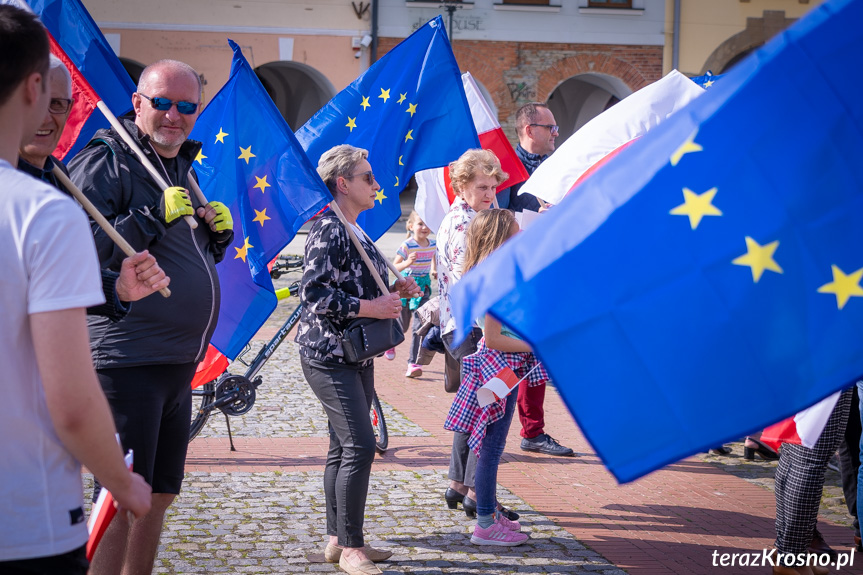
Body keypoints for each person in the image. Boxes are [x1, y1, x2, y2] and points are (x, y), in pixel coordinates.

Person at [67, 59, 234, 575]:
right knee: (119, 499)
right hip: (125, 360)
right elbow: (74, 245)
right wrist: (149, 216)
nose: (173, 115)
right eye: (161, 102)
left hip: (177, 365)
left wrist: (213, 237)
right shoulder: (108, 161)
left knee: (158, 496)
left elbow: (173, 252)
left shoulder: (179, 164)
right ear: (137, 103)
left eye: (186, 107)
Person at [0, 5, 151, 572]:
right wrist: (122, 482)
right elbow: (69, 400)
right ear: (34, 85)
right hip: (23, 518)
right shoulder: (39, 212)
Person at [296, 144, 420, 575]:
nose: (376, 184)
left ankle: (336, 540)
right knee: (361, 445)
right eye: (368, 177)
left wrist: (391, 293)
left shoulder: (352, 226)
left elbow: (354, 283)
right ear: (343, 183)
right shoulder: (329, 228)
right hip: (328, 354)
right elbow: (311, 293)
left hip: (353, 353)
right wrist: (372, 308)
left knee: (342, 445)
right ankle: (352, 549)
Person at [18, 55, 169, 320]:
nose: (44, 117)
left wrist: (118, 289)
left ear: (69, 109)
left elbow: (57, 276)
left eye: (55, 104)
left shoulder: (56, 175)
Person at [445, 209, 547, 547]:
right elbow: (493, 338)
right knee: (491, 449)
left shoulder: (500, 273)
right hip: (496, 371)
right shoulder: (492, 278)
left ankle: (489, 512)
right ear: (500, 239)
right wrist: (534, 344)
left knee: (493, 447)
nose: (522, 235)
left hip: (506, 369)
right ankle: (486, 524)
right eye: (516, 231)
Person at [438, 149, 519, 520]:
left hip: (463, 325)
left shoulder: (476, 215)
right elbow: (472, 279)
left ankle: (458, 484)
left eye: (493, 186)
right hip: (473, 328)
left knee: (474, 405)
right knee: (488, 410)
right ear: (461, 185)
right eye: (482, 186)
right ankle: (477, 492)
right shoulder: (462, 224)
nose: (490, 193)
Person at [503, 102, 573, 458]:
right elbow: (491, 221)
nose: (556, 134)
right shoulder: (505, 172)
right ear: (530, 130)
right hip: (512, 276)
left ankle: (533, 431)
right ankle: (489, 422)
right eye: (551, 127)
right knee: (506, 354)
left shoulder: (558, 169)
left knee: (536, 356)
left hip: (547, 274)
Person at [773, 389, 853, 575]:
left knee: (795, 453)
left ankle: (786, 551)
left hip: (808, 368)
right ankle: (791, 557)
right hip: (829, 368)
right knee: (810, 460)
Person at [392, 210, 437, 378]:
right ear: (411, 226)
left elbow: (434, 256)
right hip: (406, 288)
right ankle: (391, 339)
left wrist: (434, 269)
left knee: (420, 326)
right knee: (402, 326)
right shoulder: (407, 245)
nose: (424, 227)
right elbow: (394, 267)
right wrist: (407, 262)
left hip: (422, 289)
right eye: (420, 224)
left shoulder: (432, 243)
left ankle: (413, 363)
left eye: (427, 224)